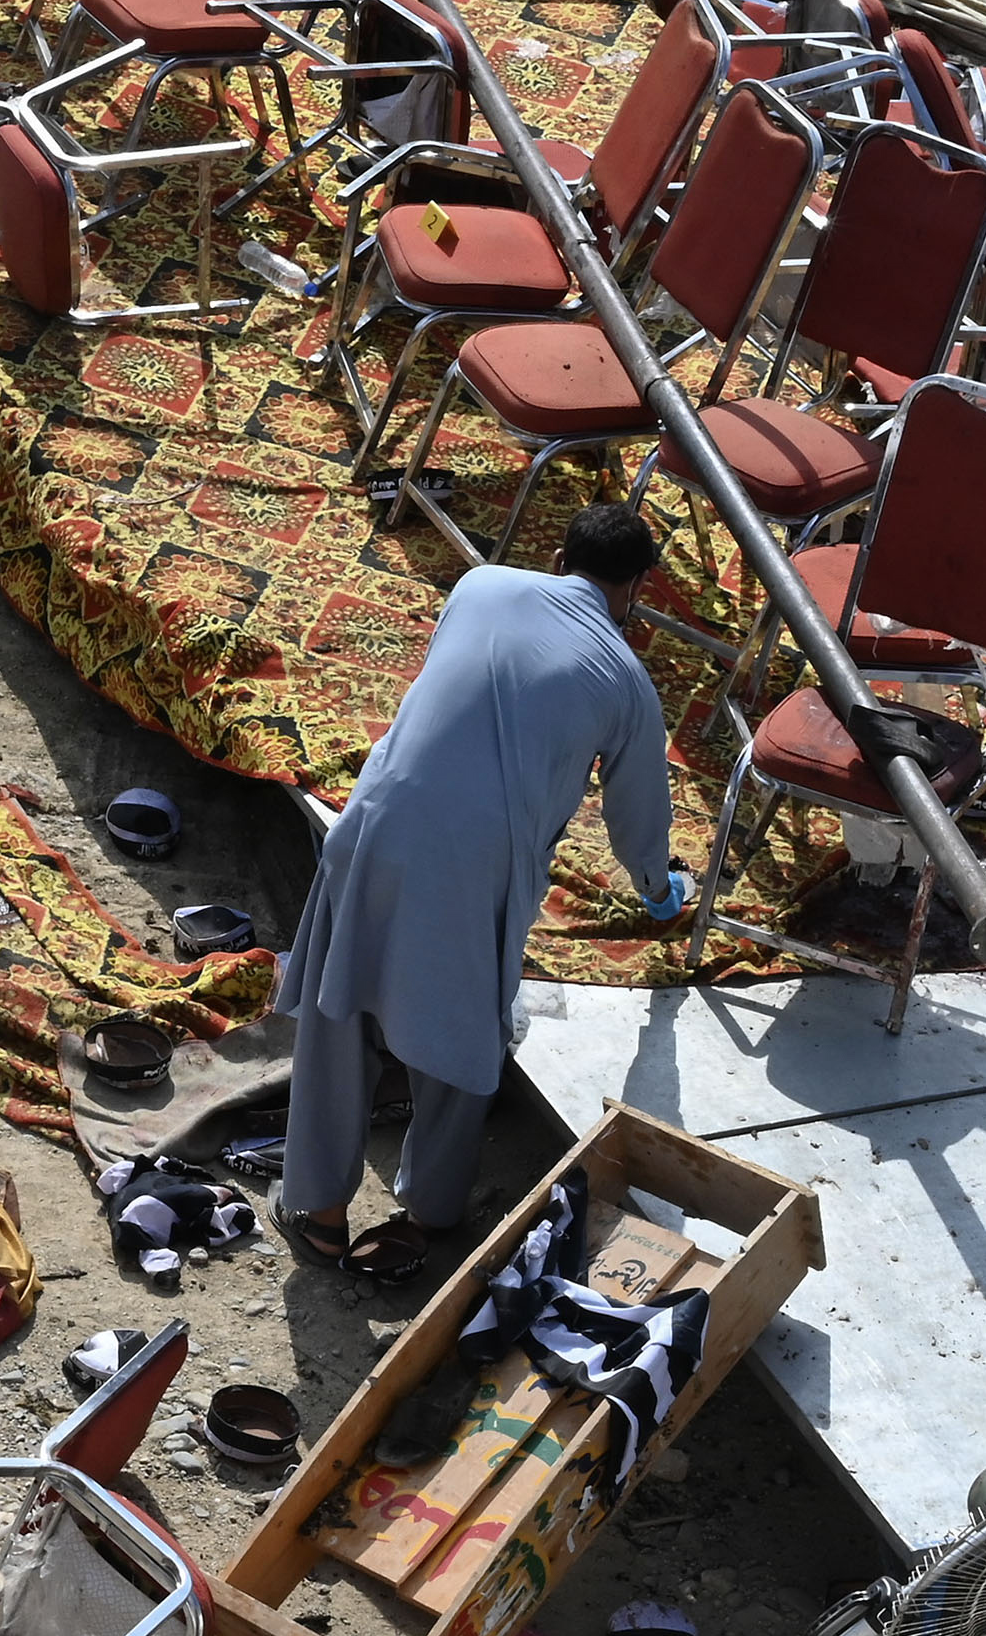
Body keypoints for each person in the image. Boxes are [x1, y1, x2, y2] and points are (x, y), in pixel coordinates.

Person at [276, 502, 684, 1282]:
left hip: (375, 819)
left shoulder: (480, 583)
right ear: (635, 587)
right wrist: (658, 894)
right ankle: (428, 1211)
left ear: (560, 557)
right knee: (460, 1038)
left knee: (340, 1010)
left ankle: (319, 1214)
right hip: (481, 864)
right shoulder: (628, 683)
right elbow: (639, 827)